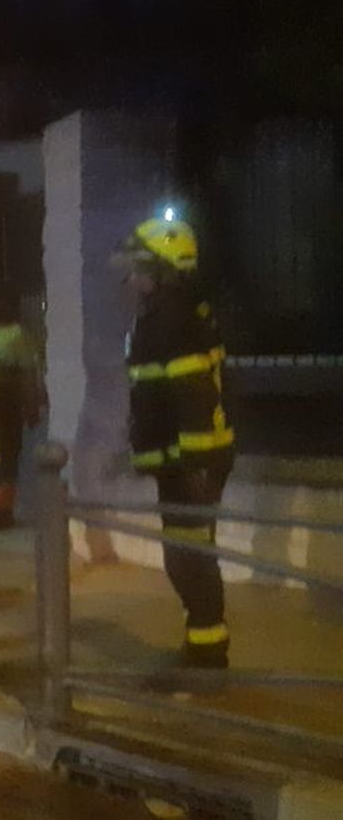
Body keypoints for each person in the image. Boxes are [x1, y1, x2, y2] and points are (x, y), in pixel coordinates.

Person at [117, 215, 236, 668]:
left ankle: (208, 656)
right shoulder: (167, 318)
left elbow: (194, 400)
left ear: (165, 270)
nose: (133, 276)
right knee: (185, 556)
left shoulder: (178, 323)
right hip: (182, 464)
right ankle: (202, 643)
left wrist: (196, 468)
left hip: (192, 466)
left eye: (141, 266)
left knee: (190, 558)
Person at [0, 286, 43, 528]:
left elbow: (27, 375)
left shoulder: (14, 334)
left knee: (3, 456)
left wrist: (32, 404)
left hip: (2, 401)